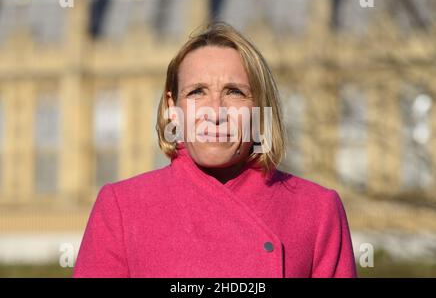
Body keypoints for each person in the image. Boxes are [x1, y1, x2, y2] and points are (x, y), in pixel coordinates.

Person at [73, 22, 357, 278]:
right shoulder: (123, 208)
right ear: (173, 108)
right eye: (197, 92)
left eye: (235, 92)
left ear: (260, 108)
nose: (215, 112)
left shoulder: (317, 210)